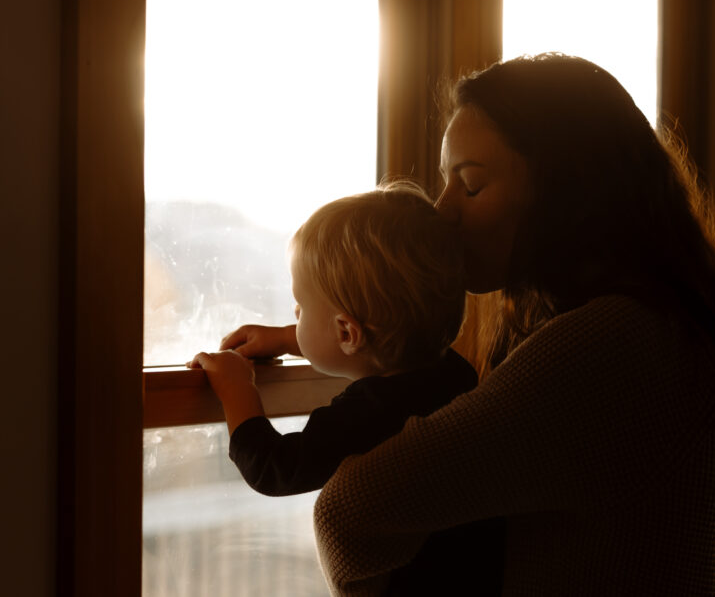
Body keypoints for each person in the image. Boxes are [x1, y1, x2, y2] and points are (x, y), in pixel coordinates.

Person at [300, 53, 715, 595]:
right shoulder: (680, 324)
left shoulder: (610, 347)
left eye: (469, 185)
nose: (442, 211)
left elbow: (349, 511)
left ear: (564, 194)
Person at [189, 182, 503, 593]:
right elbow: (364, 342)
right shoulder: (453, 373)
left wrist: (237, 390)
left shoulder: (371, 414)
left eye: (300, 307)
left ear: (347, 332)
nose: (295, 314)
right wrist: (289, 338)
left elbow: (275, 468)